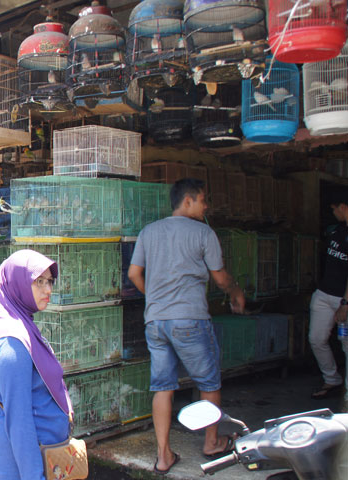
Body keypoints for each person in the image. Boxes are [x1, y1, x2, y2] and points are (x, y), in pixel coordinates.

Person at [128, 178, 246, 474]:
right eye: (203, 200)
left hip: (155, 321)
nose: (206, 206)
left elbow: (133, 273)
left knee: (163, 387)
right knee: (208, 383)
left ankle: (163, 455)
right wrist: (236, 293)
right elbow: (219, 278)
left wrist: (154, 297)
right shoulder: (203, 232)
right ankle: (211, 442)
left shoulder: (149, 231)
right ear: (189, 200)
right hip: (190, 319)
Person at [0, 249, 73, 480]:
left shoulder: (14, 328)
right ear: (16, 284)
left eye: (49, 281)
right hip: (14, 467)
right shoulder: (12, 342)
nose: (48, 289)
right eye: (39, 282)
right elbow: (19, 421)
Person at [309, 190, 348, 400]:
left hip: (344, 300)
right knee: (316, 339)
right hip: (324, 294)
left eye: (333, 209)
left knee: (347, 345)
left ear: (342, 207)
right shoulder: (339, 230)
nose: (333, 213)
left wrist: (345, 303)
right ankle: (332, 378)